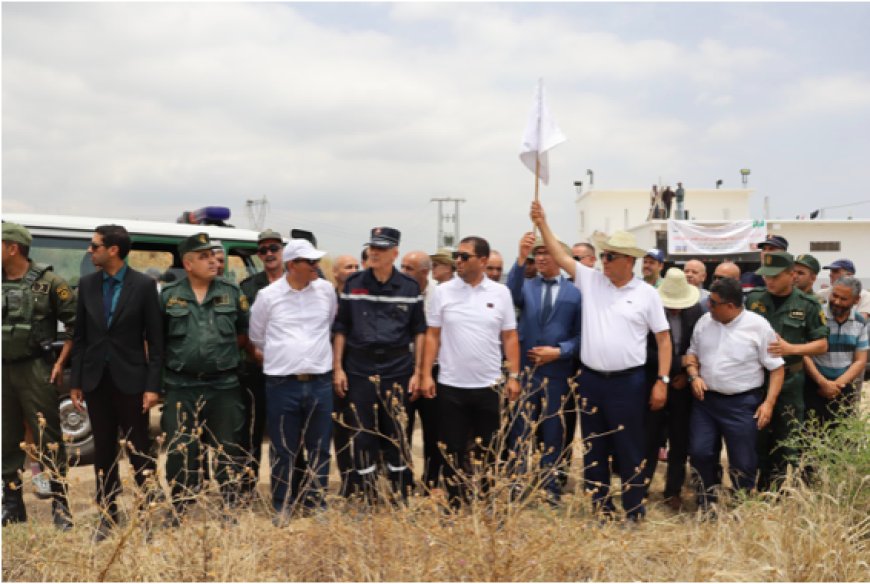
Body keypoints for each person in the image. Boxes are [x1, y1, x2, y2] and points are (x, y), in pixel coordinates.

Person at [530, 202, 672, 521]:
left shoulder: (647, 294)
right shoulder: (592, 282)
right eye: (603, 255)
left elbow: (664, 340)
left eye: (610, 256)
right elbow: (562, 255)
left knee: (630, 446)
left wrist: (661, 381)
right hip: (591, 381)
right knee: (595, 447)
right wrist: (543, 223)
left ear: (629, 261)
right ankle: (601, 509)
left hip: (629, 382)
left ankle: (634, 510)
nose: (604, 261)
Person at [69, 224, 164, 541]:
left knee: (140, 451)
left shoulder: (144, 286)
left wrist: (152, 386)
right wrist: (77, 380)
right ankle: (108, 516)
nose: (89, 250)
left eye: (94, 246)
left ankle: (147, 514)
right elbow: (80, 338)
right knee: (104, 452)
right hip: (97, 381)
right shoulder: (87, 284)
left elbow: (156, 340)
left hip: (133, 381)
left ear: (113, 250)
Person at [419, 236, 521, 509]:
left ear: (483, 261)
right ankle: (455, 506)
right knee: (452, 450)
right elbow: (432, 335)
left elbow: (510, 336)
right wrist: (426, 374)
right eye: (457, 256)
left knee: (489, 450)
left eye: (464, 256)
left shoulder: (501, 293)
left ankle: (488, 504)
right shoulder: (443, 292)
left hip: (490, 385)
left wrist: (514, 376)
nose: (458, 261)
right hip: (451, 385)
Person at [160, 232, 250, 519]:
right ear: (188, 264)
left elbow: (244, 334)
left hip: (224, 384)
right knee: (179, 449)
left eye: (213, 255)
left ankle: (229, 507)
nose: (213, 261)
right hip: (180, 384)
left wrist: (218, 357)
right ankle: (181, 507)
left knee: (228, 447)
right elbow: (157, 341)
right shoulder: (169, 297)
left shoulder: (232, 292)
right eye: (204, 257)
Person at [333, 227, 426, 503]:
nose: (374, 252)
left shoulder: (409, 288)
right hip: (359, 369)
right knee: (362, 433)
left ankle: (400, 494)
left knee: (396, 432)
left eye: (381, 249)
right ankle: (366, 494)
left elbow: (419, 332)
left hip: (397, 368)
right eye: (372, 247)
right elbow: (342, 328)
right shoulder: (354, 284)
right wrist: (338, 368)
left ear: (394, 253)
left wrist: (419, 372)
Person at [248, 239, 336, 522]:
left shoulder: (327, 291)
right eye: (310, 262)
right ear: (292, 265)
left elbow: (331, 325)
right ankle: (282, 504)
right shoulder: (268, 296)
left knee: (320, 447)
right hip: (282, 384)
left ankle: (317, 503)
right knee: (283, 447)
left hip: (320, 381)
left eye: (316, 262)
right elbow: (257, 336)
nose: (316, 267)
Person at [684, 277, 785, 511]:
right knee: (700, 452)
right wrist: (693, 375)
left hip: (742, 403)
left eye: (714, 302)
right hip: (706, 402)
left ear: (730, 306)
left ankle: (742, 506)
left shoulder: (758, 326)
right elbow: (692, 354)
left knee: (742, 460)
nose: (708, 306)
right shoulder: (704, 322)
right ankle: (707, 502)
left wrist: (768, 404)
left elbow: (777, 368)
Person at [2, 222, 76, 529]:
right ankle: (12, 504)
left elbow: (75, 326)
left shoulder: (51, 283)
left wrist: (60, 362)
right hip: (4, 369)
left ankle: (60, 504)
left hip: (36, 368)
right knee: (5, 438)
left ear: (12, 248)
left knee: (47, 437)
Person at [505, 233, 581, 506]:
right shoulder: (525, 286)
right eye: (537, 254)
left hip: (558, 373)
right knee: (520, 432)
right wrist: (520, 257)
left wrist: (560, 351)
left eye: (546, 253)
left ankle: (550, 488)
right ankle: (515, 485)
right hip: (527, 373)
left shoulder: (577, 292)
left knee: (553, 433)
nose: (540, 258)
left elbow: (582, 335)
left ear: (561, 258)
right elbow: (509, 294)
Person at [746, 251, 828, 490]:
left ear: (791, 275)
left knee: (787, 436)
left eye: (774, 276)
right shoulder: (753, 299)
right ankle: (759, 486)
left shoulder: (808, 304)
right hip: (757, 378)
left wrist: (791, 347)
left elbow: (822, 344)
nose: (768, 281)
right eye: (765, 276)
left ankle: (779, 489)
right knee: (757, 435)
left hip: (790, 381)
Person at [642, 268, 704, 511]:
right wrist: (672, 369)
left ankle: (673, 491)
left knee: (680, 441)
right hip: (654, 382)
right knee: (648, 438)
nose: (676, 309)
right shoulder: (649, 310)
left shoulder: (697, 311)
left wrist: (685, 376)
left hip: (682, 386)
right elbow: (642, 350)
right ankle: (641, 486)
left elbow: (697, 347)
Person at [238, 229, 287, 501]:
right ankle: (247, 488)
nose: (269, 254)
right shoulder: (249, 286)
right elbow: (243, 328)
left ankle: (286, 486)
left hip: (288, 371)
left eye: (274, 248)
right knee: (252, 431)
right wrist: (255, 352)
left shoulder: (299, 281)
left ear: (283, 251)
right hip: (256, 370)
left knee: (286, 431)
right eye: (263, 250)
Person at [400, 251, 444, 491]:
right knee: (401, 429)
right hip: (402, 370)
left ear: (425, 273)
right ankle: (403, 480)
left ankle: (431, 481)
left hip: (434, 371)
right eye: (402, 267)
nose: (403, 272)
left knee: (433, 431)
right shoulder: (396, 291)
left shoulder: (441, 294)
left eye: (409, 268)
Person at [803, 276, 867, 425]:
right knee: (811, 434)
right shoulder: (817, 316)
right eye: (834, 295)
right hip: (814, 385)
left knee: (840, 436)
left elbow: (860, 360)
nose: (837, 301)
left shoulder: (860, 322)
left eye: (843, 299)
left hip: (843, 388)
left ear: (856, 300)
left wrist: (837, 385)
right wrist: (823, 382)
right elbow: (804, 353)